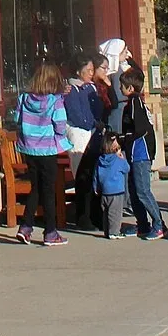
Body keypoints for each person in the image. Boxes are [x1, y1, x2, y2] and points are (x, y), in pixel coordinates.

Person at [13, 61, 71, 246]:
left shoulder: (23, 98)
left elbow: (16, 119)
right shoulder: (56, 101)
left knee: (35, 188)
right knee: (48, 191)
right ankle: (51, 231)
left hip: (29, 149)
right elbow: (61, 126)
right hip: (47, 150)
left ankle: (26, 226)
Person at [119, 67, 165, 240]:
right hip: (133, 153)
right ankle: (143, 224)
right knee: (133, 190)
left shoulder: (135, 103)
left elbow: (141, 129)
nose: (120, 88)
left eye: (122, 85)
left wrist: (122, 138)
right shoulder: (131, 103)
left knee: (143, 191)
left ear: (130, 88)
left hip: (141, 153)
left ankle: (159, 224)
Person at [63, 55, 105, 228]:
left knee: (93, 177)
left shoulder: (91, 88)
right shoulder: (71, 90)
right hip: (79, 136)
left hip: (92, 134)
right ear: (78, 71)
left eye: (92, 70)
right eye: (87, 70)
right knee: (82, 177)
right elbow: (77, 116)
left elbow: (99, 109)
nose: (91, 73)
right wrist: (93, 123)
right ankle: (83, 217)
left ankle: (96, 215)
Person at [92, 130, 130, 237]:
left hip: (104, 191)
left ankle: (107, 231)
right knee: (115, 214)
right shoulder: (118, 160)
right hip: (116, 191)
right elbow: (126, 169)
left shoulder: (100, 160)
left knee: (106, 213)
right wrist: (122, 158)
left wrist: (95, 187)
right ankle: (114, 232)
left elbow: (96, 174)